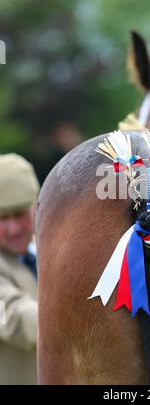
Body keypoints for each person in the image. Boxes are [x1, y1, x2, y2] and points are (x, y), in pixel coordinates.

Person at [0, 154, 39, 385]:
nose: (13, 228)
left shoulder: (49, 251)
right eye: (2, 218)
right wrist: (68, 323)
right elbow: (11, 314)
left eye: (20, 214)